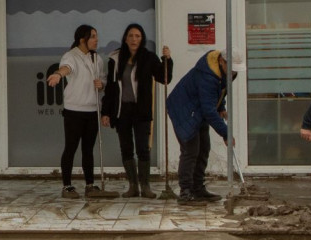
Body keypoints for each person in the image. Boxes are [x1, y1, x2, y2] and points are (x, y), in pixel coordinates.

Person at [102, 24, 173, 198]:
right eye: (131, 36)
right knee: (126, 148)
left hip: (141, 110)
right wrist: (106, 112)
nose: (134, 39)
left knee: (143, 148)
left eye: (138, 36)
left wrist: (167, 60)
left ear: (142, 39)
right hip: (122, 110)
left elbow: (164, 79)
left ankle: (145, 186)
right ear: (125, 38)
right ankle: (133, 186)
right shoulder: (116, 59)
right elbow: (111, 88)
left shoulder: (148, 58)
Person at [166, 49, 243, 205]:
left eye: (235, 69)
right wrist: (226, 133)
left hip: (198, 109)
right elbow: (208, 110)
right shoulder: (207, 76)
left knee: (204, 148)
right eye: (232, 68)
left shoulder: (226, 73)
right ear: (222, 61)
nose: (233, 72)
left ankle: (198, 188)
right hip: (184, 110)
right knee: (190, 150)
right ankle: (186, 193)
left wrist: (221, 106)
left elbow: (220, 90)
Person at [46, 24, 107, 198]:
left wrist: (101, 84)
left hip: (93, 109)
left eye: (96, 36)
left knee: (88, 149)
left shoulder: (97, 59)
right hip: (74, 111)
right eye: (93, 36)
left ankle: (90, 184)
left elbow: (103, 79)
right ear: (83, 39)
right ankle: (67, 186)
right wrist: (58, 74)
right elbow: (67, 68)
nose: (96, 40)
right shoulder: (71, 55)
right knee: (71, 147)